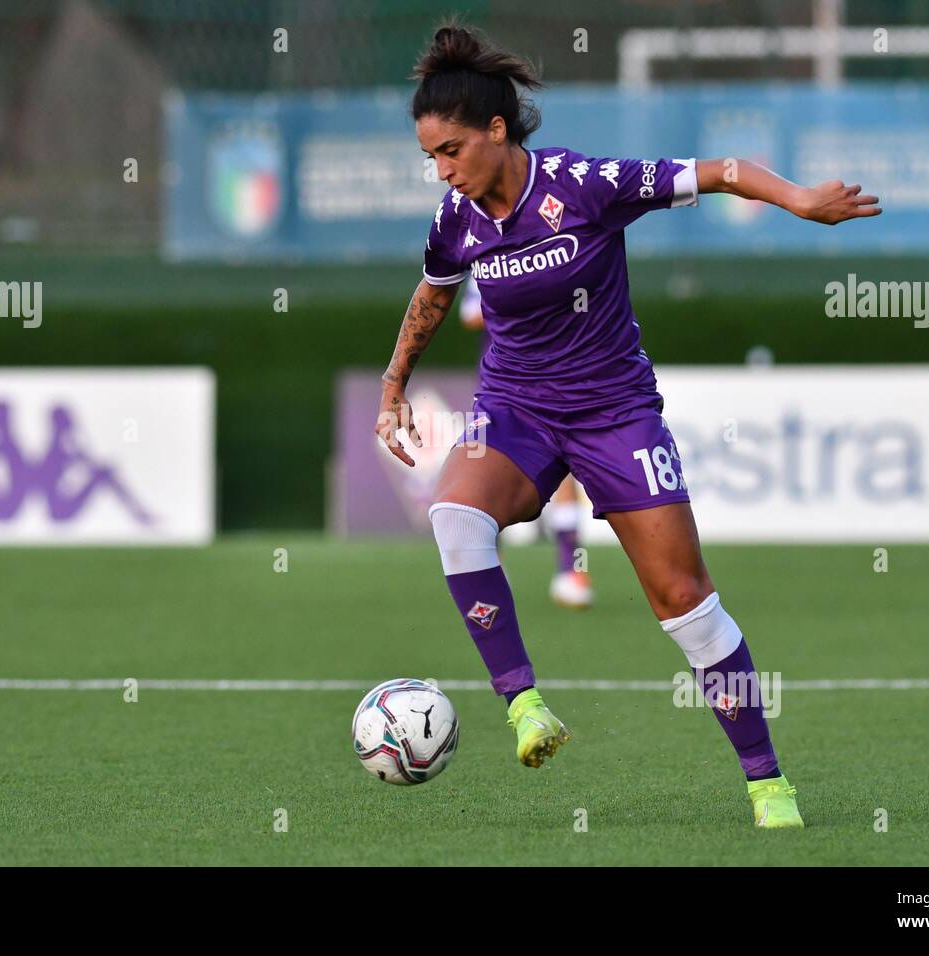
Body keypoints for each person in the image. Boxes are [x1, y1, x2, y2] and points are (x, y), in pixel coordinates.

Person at [375, 23, 880, 828]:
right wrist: (395, 383)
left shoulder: (584, 183)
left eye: (452, 150)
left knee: (685, 600)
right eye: (431, 157)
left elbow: (716, 170)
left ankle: (766, 781)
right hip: (516, 410)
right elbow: (434, 293)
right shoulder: (457, 221)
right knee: (454, 515)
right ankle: (524, 707)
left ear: (497, 129)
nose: (443, 170)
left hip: (616, 413)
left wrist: (798, 200)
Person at [459, 274, 593, 609]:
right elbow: (469, 314)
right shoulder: (488, 256)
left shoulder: (555, 249)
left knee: (564, 467)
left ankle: (569, 571)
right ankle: (493, 570)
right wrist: (517, 299)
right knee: (488, 469)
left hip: (553, 379)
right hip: (500, 384)